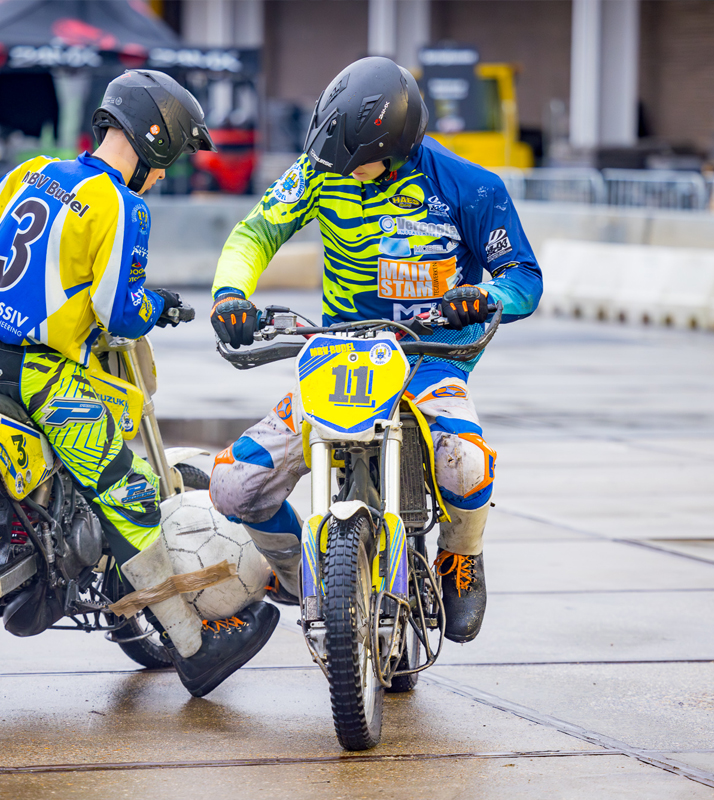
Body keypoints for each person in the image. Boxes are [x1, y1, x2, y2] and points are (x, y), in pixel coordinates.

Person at [0, 70, 279, 697]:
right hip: (41, 373)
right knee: (125, 491)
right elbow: (117, 312)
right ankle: (195, 645)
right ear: (153, 141)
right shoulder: (122, 204)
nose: (165, 172)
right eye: (170, 157)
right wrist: (156, 306)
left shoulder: (32, 172)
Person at [208, 57, 543, 645]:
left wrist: (483, 295)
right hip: (339, 358)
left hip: (432, 357)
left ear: (398, 146)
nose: (338, 170)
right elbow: (254, 234)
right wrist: (231, 294)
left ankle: (462, 556)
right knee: (234, 486)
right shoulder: (319, 170)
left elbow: (523, 279)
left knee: (464, 463)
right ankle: (296, 576)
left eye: (352, 160)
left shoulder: (472, 187)